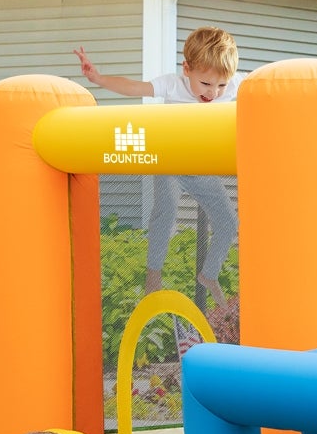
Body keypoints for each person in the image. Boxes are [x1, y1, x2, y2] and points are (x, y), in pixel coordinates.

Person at [73, 27, 243, 312]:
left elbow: (266, 85)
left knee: (228, 222)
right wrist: (97, 78)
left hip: (200, 166)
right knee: (166, 209)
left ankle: (208, 274)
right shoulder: (173, 85)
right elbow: (135, 87)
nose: (213, 93)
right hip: (169, 159)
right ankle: (154, 274)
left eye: (221, 87)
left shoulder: (237, 85)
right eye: (205, 84)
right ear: (186, 69)